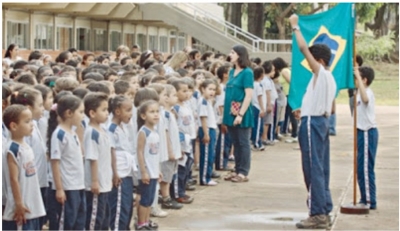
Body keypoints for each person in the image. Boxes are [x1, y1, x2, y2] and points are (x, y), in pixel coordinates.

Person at [289, 14, 337, 229]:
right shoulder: (328, 79)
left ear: (319, 61)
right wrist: (305, 110)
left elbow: (302, 49)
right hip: (320, 121)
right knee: (321, 167)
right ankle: (323, 208)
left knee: (312, 168)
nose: (309, 64)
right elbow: (329, 106)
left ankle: (317, 213)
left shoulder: (321, 73)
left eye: (312, 61)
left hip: (313, 124)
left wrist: (295, 27)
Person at [2, 104, 46, 230]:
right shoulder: (12, 149)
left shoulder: (26, 146)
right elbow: (13, 179)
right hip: (21, 208)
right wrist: (19, 203)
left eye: (31, 120)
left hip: (32, 204)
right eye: (27, 121)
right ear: (14, 126)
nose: (32, 124)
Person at [48, 94, 86, 230]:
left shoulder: (73, 132)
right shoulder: (59, 134)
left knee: (79, 221)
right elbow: (55, 162)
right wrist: (59, 189)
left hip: (78, 185)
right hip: (67, 187)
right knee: (66, 223)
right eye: (80, 112)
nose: (83, 116)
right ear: (69, 113)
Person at [222, 44, 254, 183]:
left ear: (240, 55)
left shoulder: (247, 72)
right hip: (230, 110)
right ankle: (237, 168)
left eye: (233, 52)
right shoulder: (231, 72)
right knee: (235, 141)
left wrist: (241, 114)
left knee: (243, 142)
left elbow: (248, 94)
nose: (231, 54)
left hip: (241, 111)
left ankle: (243, 171)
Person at [82, 92, 113, 230]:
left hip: (105, 181)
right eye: (104, 110)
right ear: (92, 113)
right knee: (94, 219)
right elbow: (92, 158)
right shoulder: (92, 133)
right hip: (97, 184)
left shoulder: (102, 130)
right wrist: (94, 181)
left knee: (104, 216)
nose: (107, 113)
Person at [107, 95, 134, 231]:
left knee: (127, 208)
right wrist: (115, 173)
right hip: (119, 175)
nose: (131, 113)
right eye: (128, 110)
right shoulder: (111, 129)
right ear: (117, 111)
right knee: (119, 210)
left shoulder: (123, 127)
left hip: (127, 173)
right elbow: (111, 152)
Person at [354, 66, 378, 210]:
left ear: (365, 80)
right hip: (361, 132)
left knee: (366, 168)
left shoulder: (367, 92)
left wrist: (358, 75)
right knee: (360, 169)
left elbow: (365, 99)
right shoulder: (358, 93)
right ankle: (364, 197)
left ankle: (369, 200)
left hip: (368, 132)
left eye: (358, 79)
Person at [136, 100, 162, 231]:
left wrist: (158, 170)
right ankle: (141, 223)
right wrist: (144, 171)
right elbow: (140, 152)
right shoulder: (143, 132)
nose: (156, 114)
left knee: (150, 199)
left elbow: (155, 155)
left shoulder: (155, 132)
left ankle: (146, 221)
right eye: (152, 112)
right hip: (146, 172)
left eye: (157, 111)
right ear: (143, 116)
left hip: (153, 172)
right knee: (145, 199)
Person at [197, 79, 218, 186]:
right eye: (209, 89)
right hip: (207, 129)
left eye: (214, 90)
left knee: (210, 154)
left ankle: (208, 175)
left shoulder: (208, 101)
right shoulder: (203, 102)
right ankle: (205, 178)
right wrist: (206, 133)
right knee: (206, 156)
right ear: (203, 89)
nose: (212, 92)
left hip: (211, 129)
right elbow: (203, 118)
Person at [250, 67, 266, 151]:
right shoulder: (258, 85)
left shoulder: (253, 84)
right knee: (258, 126)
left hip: (253, 106)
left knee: (255, 126)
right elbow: (260, 97)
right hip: (257, 107)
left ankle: (255, 142)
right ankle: (257, 143)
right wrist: (262, 108)